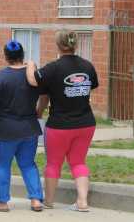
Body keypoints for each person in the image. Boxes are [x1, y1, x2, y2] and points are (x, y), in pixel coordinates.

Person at [26, 30, 99, 212]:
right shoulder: (88, 66)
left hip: (59, 125)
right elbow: (91, 87)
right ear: (75, 45)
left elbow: (33, 81)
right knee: (78, 162)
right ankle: (82, 202)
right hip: (86, 123)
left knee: (53, 163)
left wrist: (31, 64)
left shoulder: (53, 68)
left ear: (58, 45)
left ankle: (49, 201)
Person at [0, 40, 44, 212]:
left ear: (6, 57)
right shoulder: (33, 75)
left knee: (2, 165)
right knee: (29, 164)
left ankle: (2, 202)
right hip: (30, 128)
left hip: (5, 130)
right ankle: (36, 200)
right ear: (22, 56)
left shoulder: (1, 77)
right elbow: (44, 94)